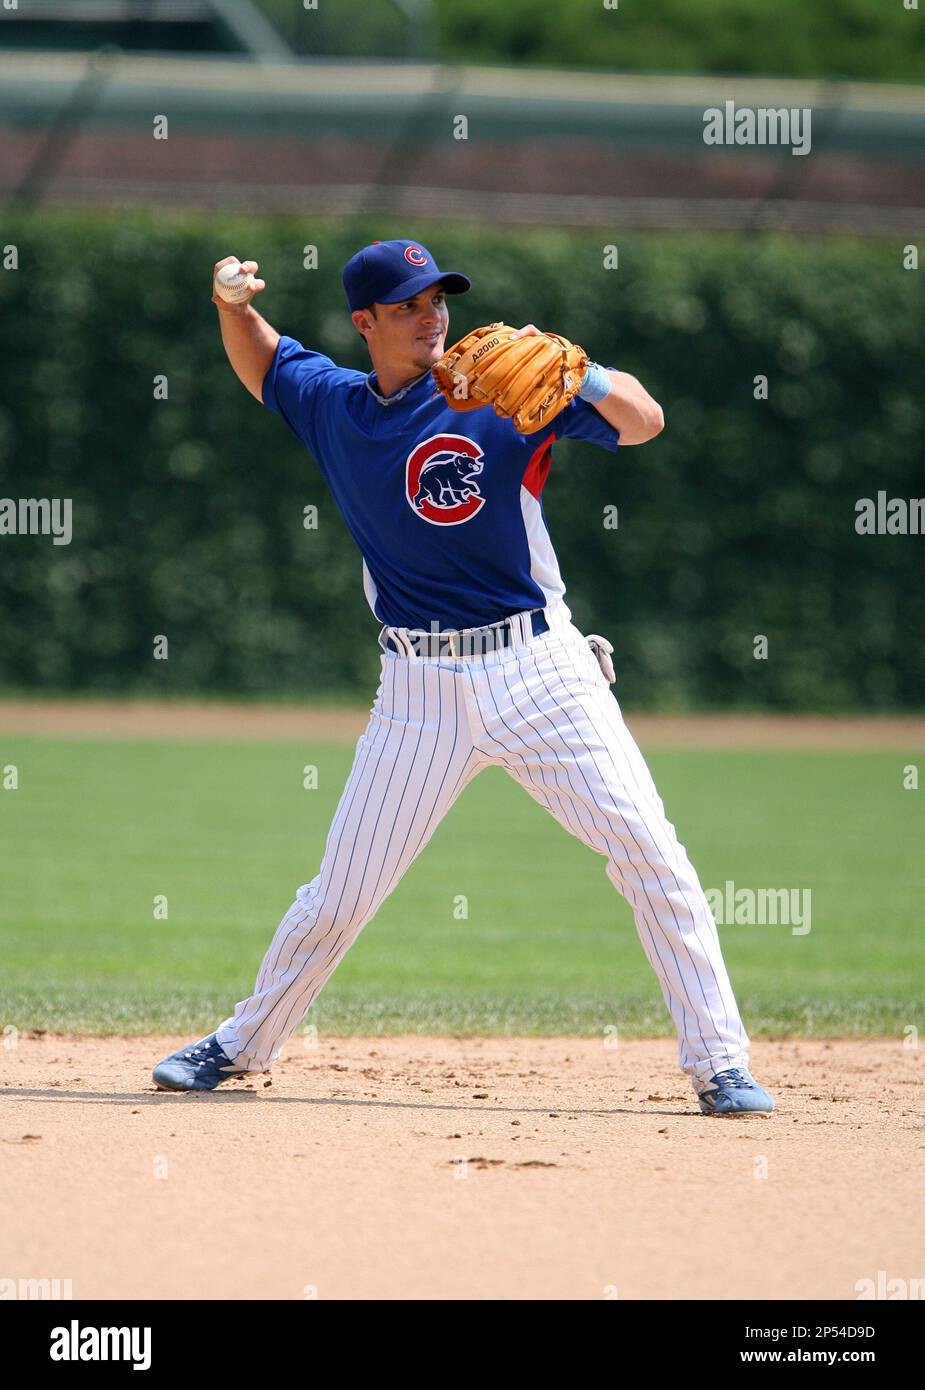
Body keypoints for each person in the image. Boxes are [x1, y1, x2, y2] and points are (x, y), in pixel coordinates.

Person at [152, 238, 774, 1117]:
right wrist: (231, 308)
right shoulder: (337, 408)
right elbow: (267, 364)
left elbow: (645, 421)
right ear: (365, 322)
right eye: (407, 304)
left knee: (652, 857)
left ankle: (719, 1063)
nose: (431, 314)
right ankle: (242, 1044)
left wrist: (585, 375)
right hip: (418, 693)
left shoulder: (505, 393)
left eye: (437, 297)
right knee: (341, 894)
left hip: (541, 671)